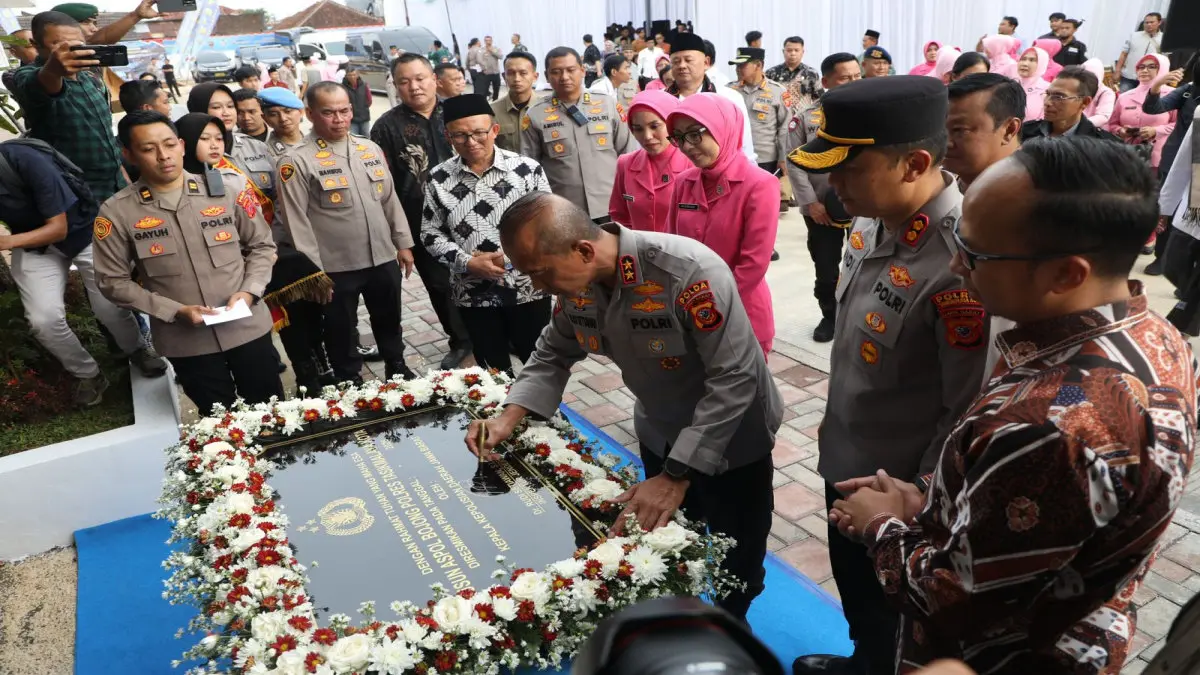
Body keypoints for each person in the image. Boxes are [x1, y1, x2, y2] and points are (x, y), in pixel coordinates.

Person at [831, 135, 1196, 675]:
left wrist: (882, 526)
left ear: (1066, 273)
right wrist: (933, 500)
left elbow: (954, 599)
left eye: (976, 254)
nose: (956, 264)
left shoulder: (1049, 428)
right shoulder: (1157, 334)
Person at [467, 191, 783, 622]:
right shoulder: (578, 282)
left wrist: (676, 475)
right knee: (669, 535)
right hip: (660, 429)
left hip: (732, 439)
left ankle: (732, 620)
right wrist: (509, 416)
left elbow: (736, 377)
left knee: (738, 547)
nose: (538, 288)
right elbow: (553, 351)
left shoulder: (688, 272)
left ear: (583, 250)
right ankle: (684, 611)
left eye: (540, 273)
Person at [789, 76, 989, 675]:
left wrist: (916, 501)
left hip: (896, 494)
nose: (834, 183)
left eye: (849, 168)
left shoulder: (961, 259)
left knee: (896, 619)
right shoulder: (872, 216)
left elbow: (966, 410)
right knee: (861, 603)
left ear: (915, 164)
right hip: (847, 458)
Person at [93, 111, 282, 416]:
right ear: (128, 154)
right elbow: (111, 281)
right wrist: (173, 311)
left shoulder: (226, 190)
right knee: (221, 425)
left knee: (272, 413)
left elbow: (262, 246)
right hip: (186, 342)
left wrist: (250, 291)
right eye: (148, 149)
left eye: (169, 144)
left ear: (182, 145)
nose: (163, 155)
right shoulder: (117, 212)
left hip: (247, 327)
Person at [0, 138, 166, 406]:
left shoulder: (24, 160)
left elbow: (59, 228)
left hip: (83, 232)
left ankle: (137, 349)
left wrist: (7, 242)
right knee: (43, 320)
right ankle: (88, 374)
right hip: (34, 245)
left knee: (109, 306)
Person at [175, 111, 333, 392]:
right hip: (211, 278)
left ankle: (309, 375)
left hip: (255, 260)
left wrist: (261, 252)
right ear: (183, 143)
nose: (215, 145)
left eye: (219, 138)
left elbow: (257, 224)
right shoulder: (170, 187)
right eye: (205, 139)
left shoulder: (231, 178)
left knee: (296, 303)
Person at [276, 82, 416, 384]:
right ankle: (350, 380)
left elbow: (389, 199)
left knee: (389, 318)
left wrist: (403, 243)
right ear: (310, 114)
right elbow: (296, 222)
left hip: (381, 256)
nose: (339, 119)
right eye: (329, 112)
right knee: (340, 328)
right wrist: (314, 274)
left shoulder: (369, 148)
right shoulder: (295, 160)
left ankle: (397, 366)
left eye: (344, 111)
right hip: (335, 266)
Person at [420, 94, 552, 374]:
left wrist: (511, 259)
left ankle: (545, 404)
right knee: (491, 369)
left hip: (526, 288)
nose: (471, 142)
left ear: (494, 130)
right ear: (448, 137)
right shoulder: (438, 178)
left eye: (479, 132)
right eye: (460, 135)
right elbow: (430, 233)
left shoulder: (526, 170)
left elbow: (548, 225)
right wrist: (467, 262)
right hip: (472, 293)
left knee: (539, 365)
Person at [373, 53, 474, 370]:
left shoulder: (462, 111)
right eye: (404, 81)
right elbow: (384, 187)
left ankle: (497, 332)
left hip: (473, 213)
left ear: (434, 79)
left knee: (482, 274)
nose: (414, 86)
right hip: (421, 222)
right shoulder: (385, 127)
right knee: (441, 285)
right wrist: (399, 237)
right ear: (395, 85)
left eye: (420, 78)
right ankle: (461, 341)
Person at [666, 93, 777, 356]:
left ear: (721, 127)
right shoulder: (683, 182)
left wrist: (708, 307)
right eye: (679, 137)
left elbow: (753, 263)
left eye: (695, 134)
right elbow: (672, 246)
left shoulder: (759, 184)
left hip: (740, 312)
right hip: (689, 313)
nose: (687, 146)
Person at [784, 52, 859, 343]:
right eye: (845, 78)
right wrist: (810, 203)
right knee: (827, 271)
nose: (853, 82)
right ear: (826, 82)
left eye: (857, 76)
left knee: (864, 266)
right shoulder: (805, 118)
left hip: (863, 208)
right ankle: (830, 315)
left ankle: (858, 316)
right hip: (821, 210)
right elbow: (794, 161)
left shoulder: (871, 114)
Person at [12, 12, 125, 204]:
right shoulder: (26, 75)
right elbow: (38, 85)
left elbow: (105, 138)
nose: (71, 50)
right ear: (36, 44)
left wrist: (125, 181)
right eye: (59, 44)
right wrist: (52, 71)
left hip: (116, 186)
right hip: (76, 194)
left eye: (78, 44)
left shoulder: (89, 78)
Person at [518, 46, 633, 223]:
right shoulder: (535, 115)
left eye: (571, 70)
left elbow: (627, 153)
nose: (564, 77)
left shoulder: (607, 104)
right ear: (547, 76)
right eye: (556, 72)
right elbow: (530, 169)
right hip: (564, 211)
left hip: (611, 206)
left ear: (582, 71)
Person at [608, 90, 692, 233]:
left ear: (672, 125)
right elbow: (619, 216)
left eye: (654, 126)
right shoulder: (625, 164)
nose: (647, 136)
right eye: (638, 129)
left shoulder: (693, 164)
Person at [665, 33, 756, 164]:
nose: (682, 66)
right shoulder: (661, 100)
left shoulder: (728, 97)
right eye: (676, 61)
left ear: (706, 62)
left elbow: (744, 145)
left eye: (688, 60)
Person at [187, 83, 276, 211]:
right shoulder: (190, 154)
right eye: (216, 107)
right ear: (199, 110)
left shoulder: (256, 146)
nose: (226, 113)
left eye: (230, 106)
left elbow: (279, 196)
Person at [945, 74, 1025, 189]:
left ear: (1009, 130)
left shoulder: (1035, 193)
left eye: (959, 130)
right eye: (941, 129)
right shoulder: (940, 182)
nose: (946, 142)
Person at [727, 47, 789, 190]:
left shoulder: (778, 91)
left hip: (766, 158)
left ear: (758, 65)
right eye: (736, 65)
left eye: (742, 65)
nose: (737, 69)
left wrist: (783, 158)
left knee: (764, 196)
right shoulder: (729, 91)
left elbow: (785, 128)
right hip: (736, 158)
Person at [1107, 54, 1176, 175]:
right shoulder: (1125, 97)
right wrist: (1121, 131)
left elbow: (1179, 124)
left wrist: (1156, 131)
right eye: (1141, 67)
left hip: (1159, 158)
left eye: (1152, 67)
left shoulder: (1172, 95)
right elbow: (1112, 124)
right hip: (1126, 156)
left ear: (1163, 69)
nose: (1144, 70)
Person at [1020, 67, 1121, 143]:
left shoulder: (1101, 145)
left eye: (1058, 97)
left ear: (1085, 102)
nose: (1047, 102)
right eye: (1047, 94)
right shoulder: (1026, 131)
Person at [491, 51, 538, 153]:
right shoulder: (492, 112)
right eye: (511, 73)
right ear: (504, 76)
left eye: (523, 73)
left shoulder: (548, 108)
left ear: (535, 76)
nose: (517, 79)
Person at [1116, 12, 1165, 93]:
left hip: (1149, 80)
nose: (1148, 24)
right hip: (1129, 77)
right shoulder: (1133, 36)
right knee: (1122, 97)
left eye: (1152, 22)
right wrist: (1117, 71)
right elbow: (1124, 54)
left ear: (1159, 22)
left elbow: (1164, 62)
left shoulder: (1164, 39)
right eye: (1146, 22)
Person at [258, 87, 306, 158]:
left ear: (301, 111)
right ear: (265, 119)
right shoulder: (264, 154)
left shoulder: (317, 140)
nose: (283, 119)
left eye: (288, 111)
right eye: (274, 114)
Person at [1017, 47, 1050, 122]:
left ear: (1042, 63)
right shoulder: (1010, 84)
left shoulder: (1047, 90)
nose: (1025, 64)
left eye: (1032, 60)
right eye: (1023, 59)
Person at [1081, 58, 1116, 127]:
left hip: (1093, 129)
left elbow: (1103, 116)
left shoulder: (1106, 92)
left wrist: (1080, 125)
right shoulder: (1075, 86)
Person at [343, 66, 372, 136]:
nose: (352, 77)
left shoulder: (364, 85)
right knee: (354, 137)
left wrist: (364, 107)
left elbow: (369, 100)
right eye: (349, 75)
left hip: (364, 117)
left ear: (357, 75)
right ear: (346, 76)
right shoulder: (342, 87)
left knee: (366, 136)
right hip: (352, 119)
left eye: (354, 75)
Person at [478, 35, 502, 101]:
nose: (488, 42)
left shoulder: (496, 48)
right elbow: (479, 60)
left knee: (496, 89)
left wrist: (492, 51)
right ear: (484, 41)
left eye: (489, 40)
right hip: (486, 73)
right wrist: (483, 68)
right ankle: (484, 103)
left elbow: (500, 56)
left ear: (491, 41)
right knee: (484, 90)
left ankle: (495, 101)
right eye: (486, 40)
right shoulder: (481, 50)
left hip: (495, 72)